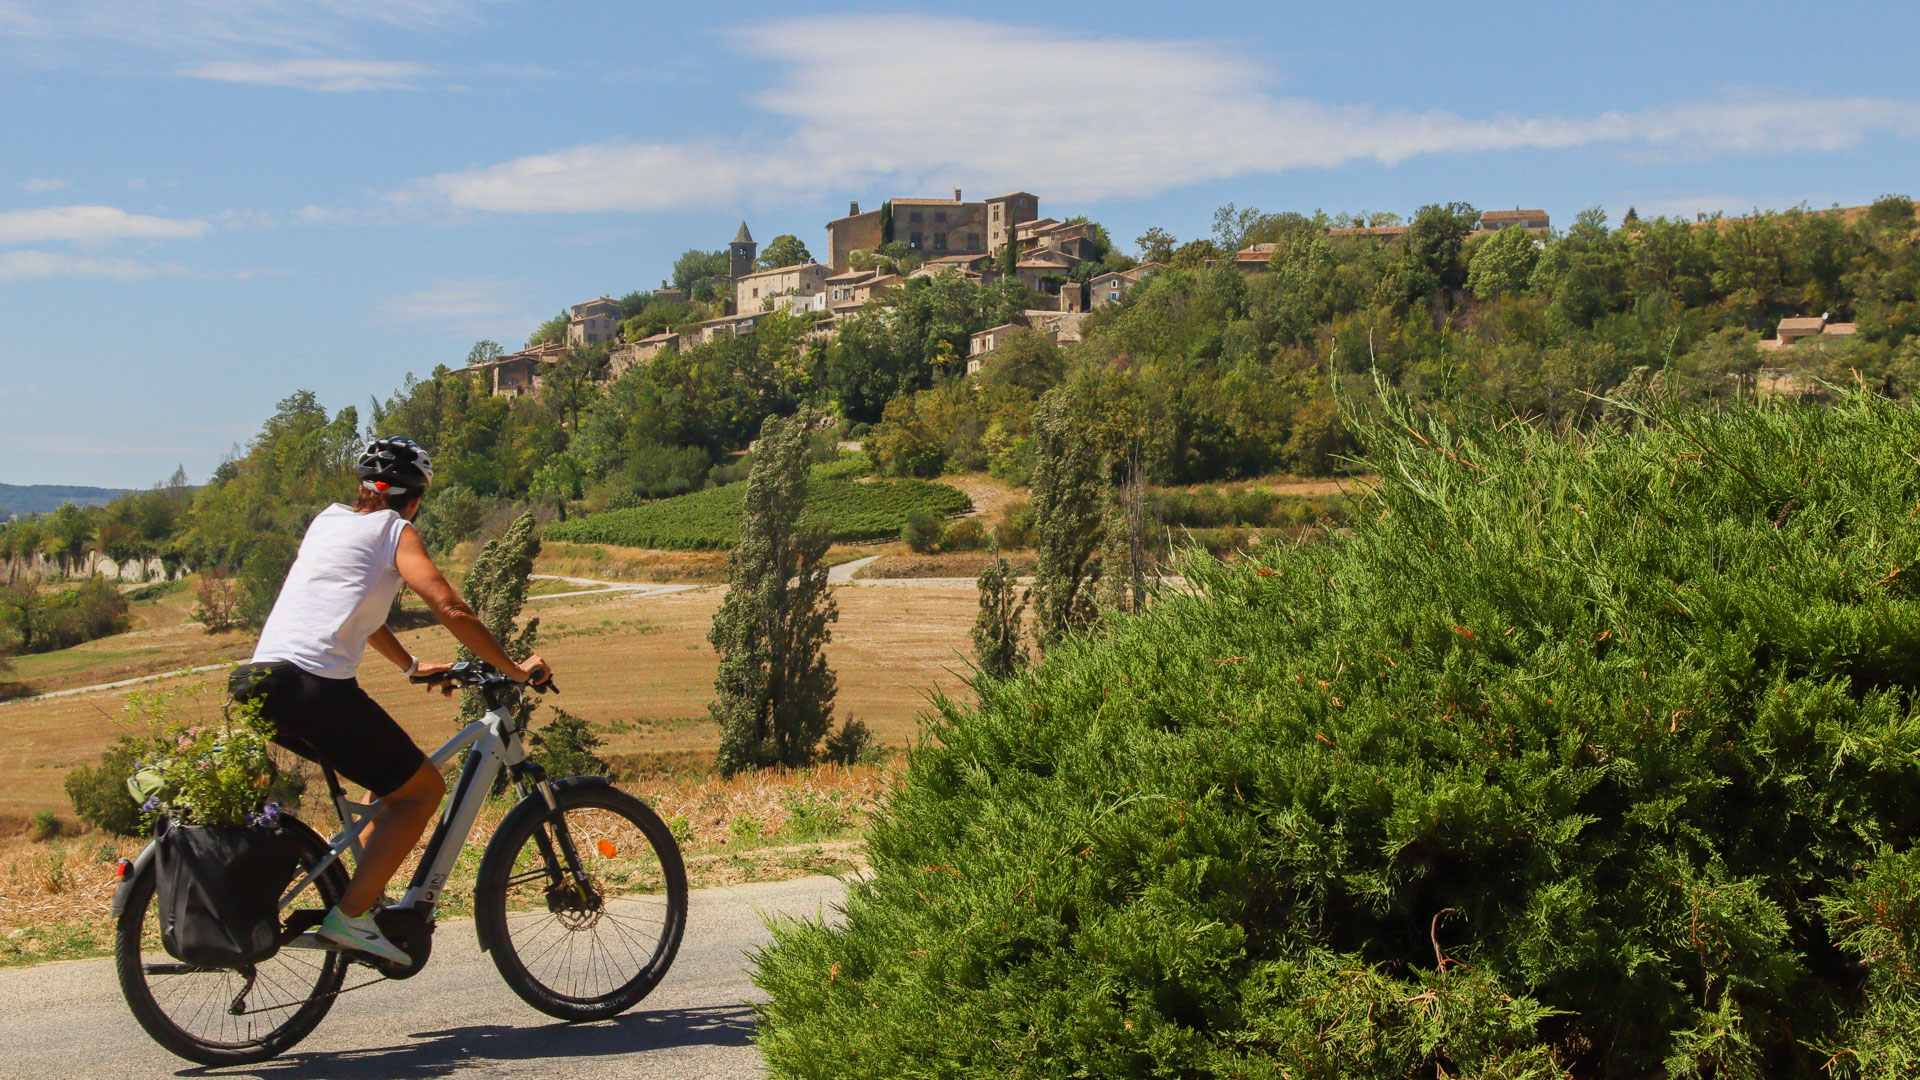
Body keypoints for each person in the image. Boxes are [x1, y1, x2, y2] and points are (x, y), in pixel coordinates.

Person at [229, 436, 551, 966]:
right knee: (423, 790)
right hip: (314, 688)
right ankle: (351, 917)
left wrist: (409, 665)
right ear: (416, 498)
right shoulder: (396, 531)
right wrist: (513, 668)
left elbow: (358, 608)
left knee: (392, 785)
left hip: (260, 682)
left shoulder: (328, 521)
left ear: (362, 488)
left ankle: (353, 896)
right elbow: (449, 605)